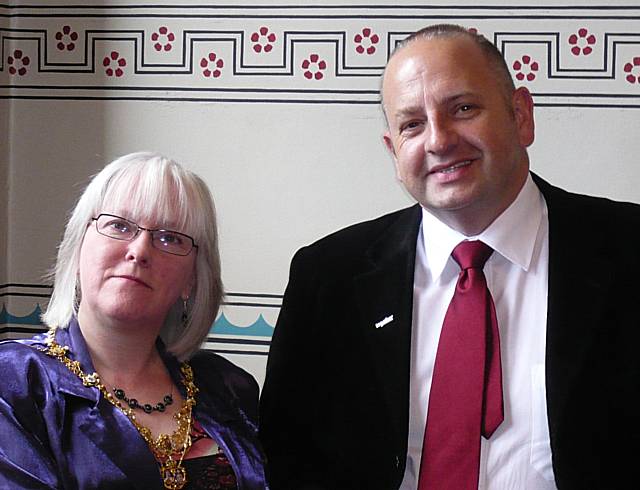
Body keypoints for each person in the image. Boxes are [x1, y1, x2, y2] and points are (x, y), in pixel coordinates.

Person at [259, 24, 640, 489]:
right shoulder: (327, 277)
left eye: (463, 108)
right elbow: (288, 456)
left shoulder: (627, 251)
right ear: (393, 151)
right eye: (412, 125)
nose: (439, 141)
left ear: (521, 116)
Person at [0, 152, 267, 489]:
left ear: (192, 280)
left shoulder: (226, 386)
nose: (140, 251)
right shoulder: (15, 382)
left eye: (170, 237)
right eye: (119, 225)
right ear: (79, 247)